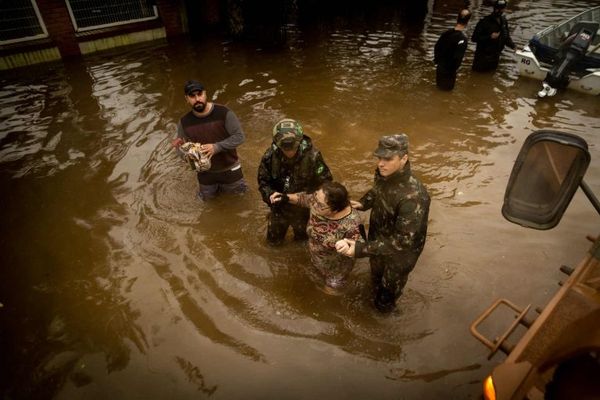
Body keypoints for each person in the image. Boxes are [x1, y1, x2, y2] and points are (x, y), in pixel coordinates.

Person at [335, 134, 430, 313]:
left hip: (399, 257)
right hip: (377, 242)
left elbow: (403, 242)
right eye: (379, 157)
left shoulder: (414, 197)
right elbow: (378, 191)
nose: (380, 163)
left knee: (385, 300)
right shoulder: (384, 174)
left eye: (387, 159)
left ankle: (384, 322)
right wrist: (363, 203)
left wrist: (359, 249)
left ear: (404, 159)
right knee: (375, 280)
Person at [270, 181, 362, 289]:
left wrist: (349, 247)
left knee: (330, 293)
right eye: (315, 198)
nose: (313, 204)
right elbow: (304, 199)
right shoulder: (317, 202)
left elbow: (361, 246)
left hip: (336, 269)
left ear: (335, 209)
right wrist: (285, 197)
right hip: (315, 258)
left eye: (319, 205)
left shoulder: (352, 223)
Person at [258, 118, 332, 245]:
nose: (289, 152)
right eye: (285, 148)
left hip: (304, 209)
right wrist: (270, 195)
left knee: (302, 243)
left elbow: (325, 182)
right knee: (272, 244)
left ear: (299, 142)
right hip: (279, 207)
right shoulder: (269, 157)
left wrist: (316, 203)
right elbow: (263, 182)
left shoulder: (313, 157)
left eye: (292, 148)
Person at [175, 80, 247, 200]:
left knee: (240, 203)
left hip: (230, 170)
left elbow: (239, 137)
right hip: (205, 176)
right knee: (207, 208)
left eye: (200, 94)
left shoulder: (224, 113)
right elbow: (180, 148)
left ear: (205, 94)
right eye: (192, 96)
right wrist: (186, 155)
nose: (197, 99)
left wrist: (216, 147)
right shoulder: (184, 122)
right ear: (186, 99)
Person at [471, 0, 516, 72]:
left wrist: (514, 47)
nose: (499, 11)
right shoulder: (484, 22)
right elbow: (474, 38)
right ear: (494, 8)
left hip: (495, 57)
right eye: (497, 9)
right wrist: (489, 37)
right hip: (482, 59)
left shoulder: (504, 21)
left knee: (491, 77)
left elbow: (506, 37)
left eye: (501, 9)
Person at [434, 9, 472, 90]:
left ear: (457, 19)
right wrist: (452, 70)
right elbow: (457, 58)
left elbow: (437, 47)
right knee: (446, 95)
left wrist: (438, 62)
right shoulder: (462, 39)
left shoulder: (446, 33)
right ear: (467, 22)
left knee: (438, 89)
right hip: (449, 72)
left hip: (440, 68)